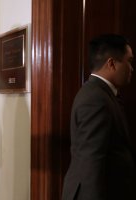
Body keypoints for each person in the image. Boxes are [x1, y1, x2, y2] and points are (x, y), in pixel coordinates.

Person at [62, 34, 136, 200]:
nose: (131, 68)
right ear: (111, 63)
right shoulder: (96, 99)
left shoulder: (101, 93)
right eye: (129, 61)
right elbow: (91, 162)